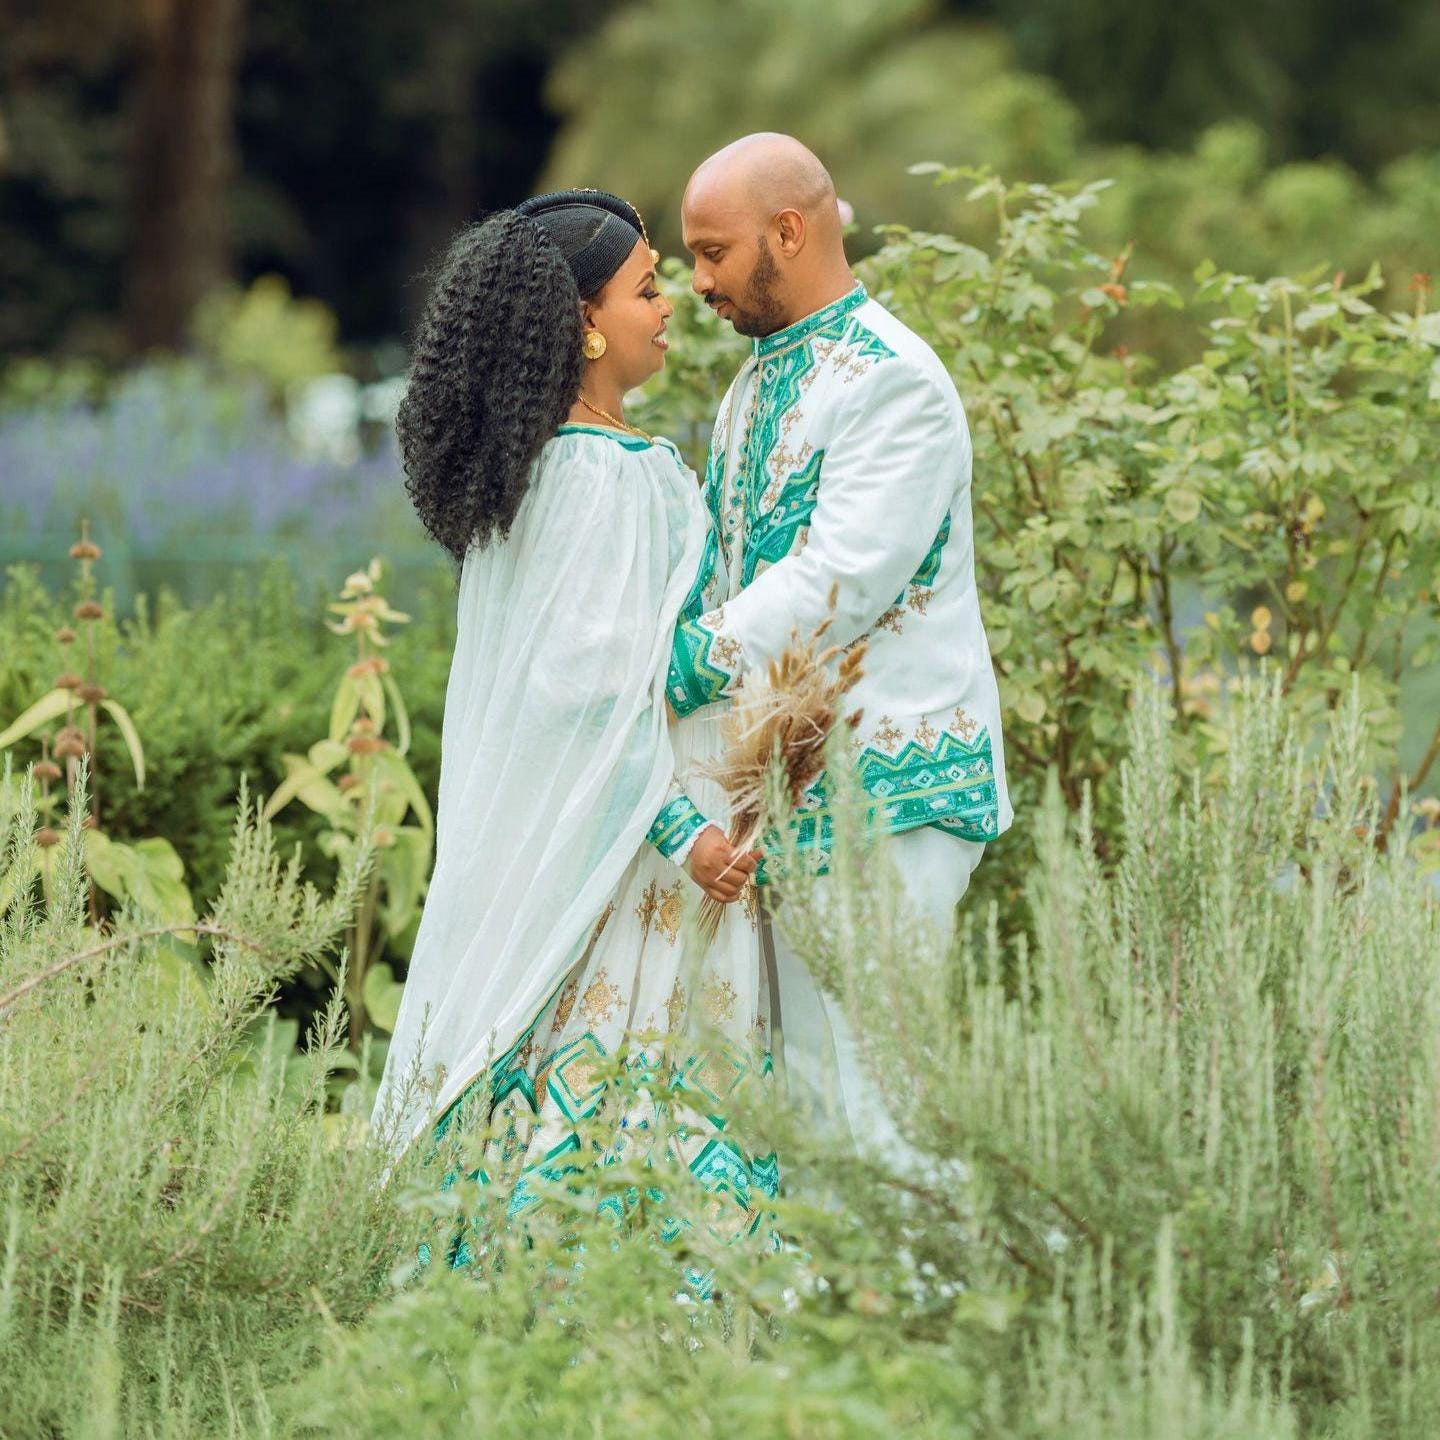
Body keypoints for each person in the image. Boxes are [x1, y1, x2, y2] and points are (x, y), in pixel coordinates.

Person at [369, 190, 775, 1259]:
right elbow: (586, 690)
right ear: (585, 324)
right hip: (632, 856)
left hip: (595, 834)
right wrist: (684, 832)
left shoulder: (547, 469)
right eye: (647, 288)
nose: (671, 303)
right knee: (608, 1096)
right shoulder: (597, 477)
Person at [663, 134, 1014, 1164]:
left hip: (896, 779)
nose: (699, 282)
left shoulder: (894, 379)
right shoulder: (747, 393)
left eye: (713, 251)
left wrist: (693, 656)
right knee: (809, 1099)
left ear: (789, 231)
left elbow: (845, 575)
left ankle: (918, 1322)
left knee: (881, 1096)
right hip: (792, 787)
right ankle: (835, 1325)